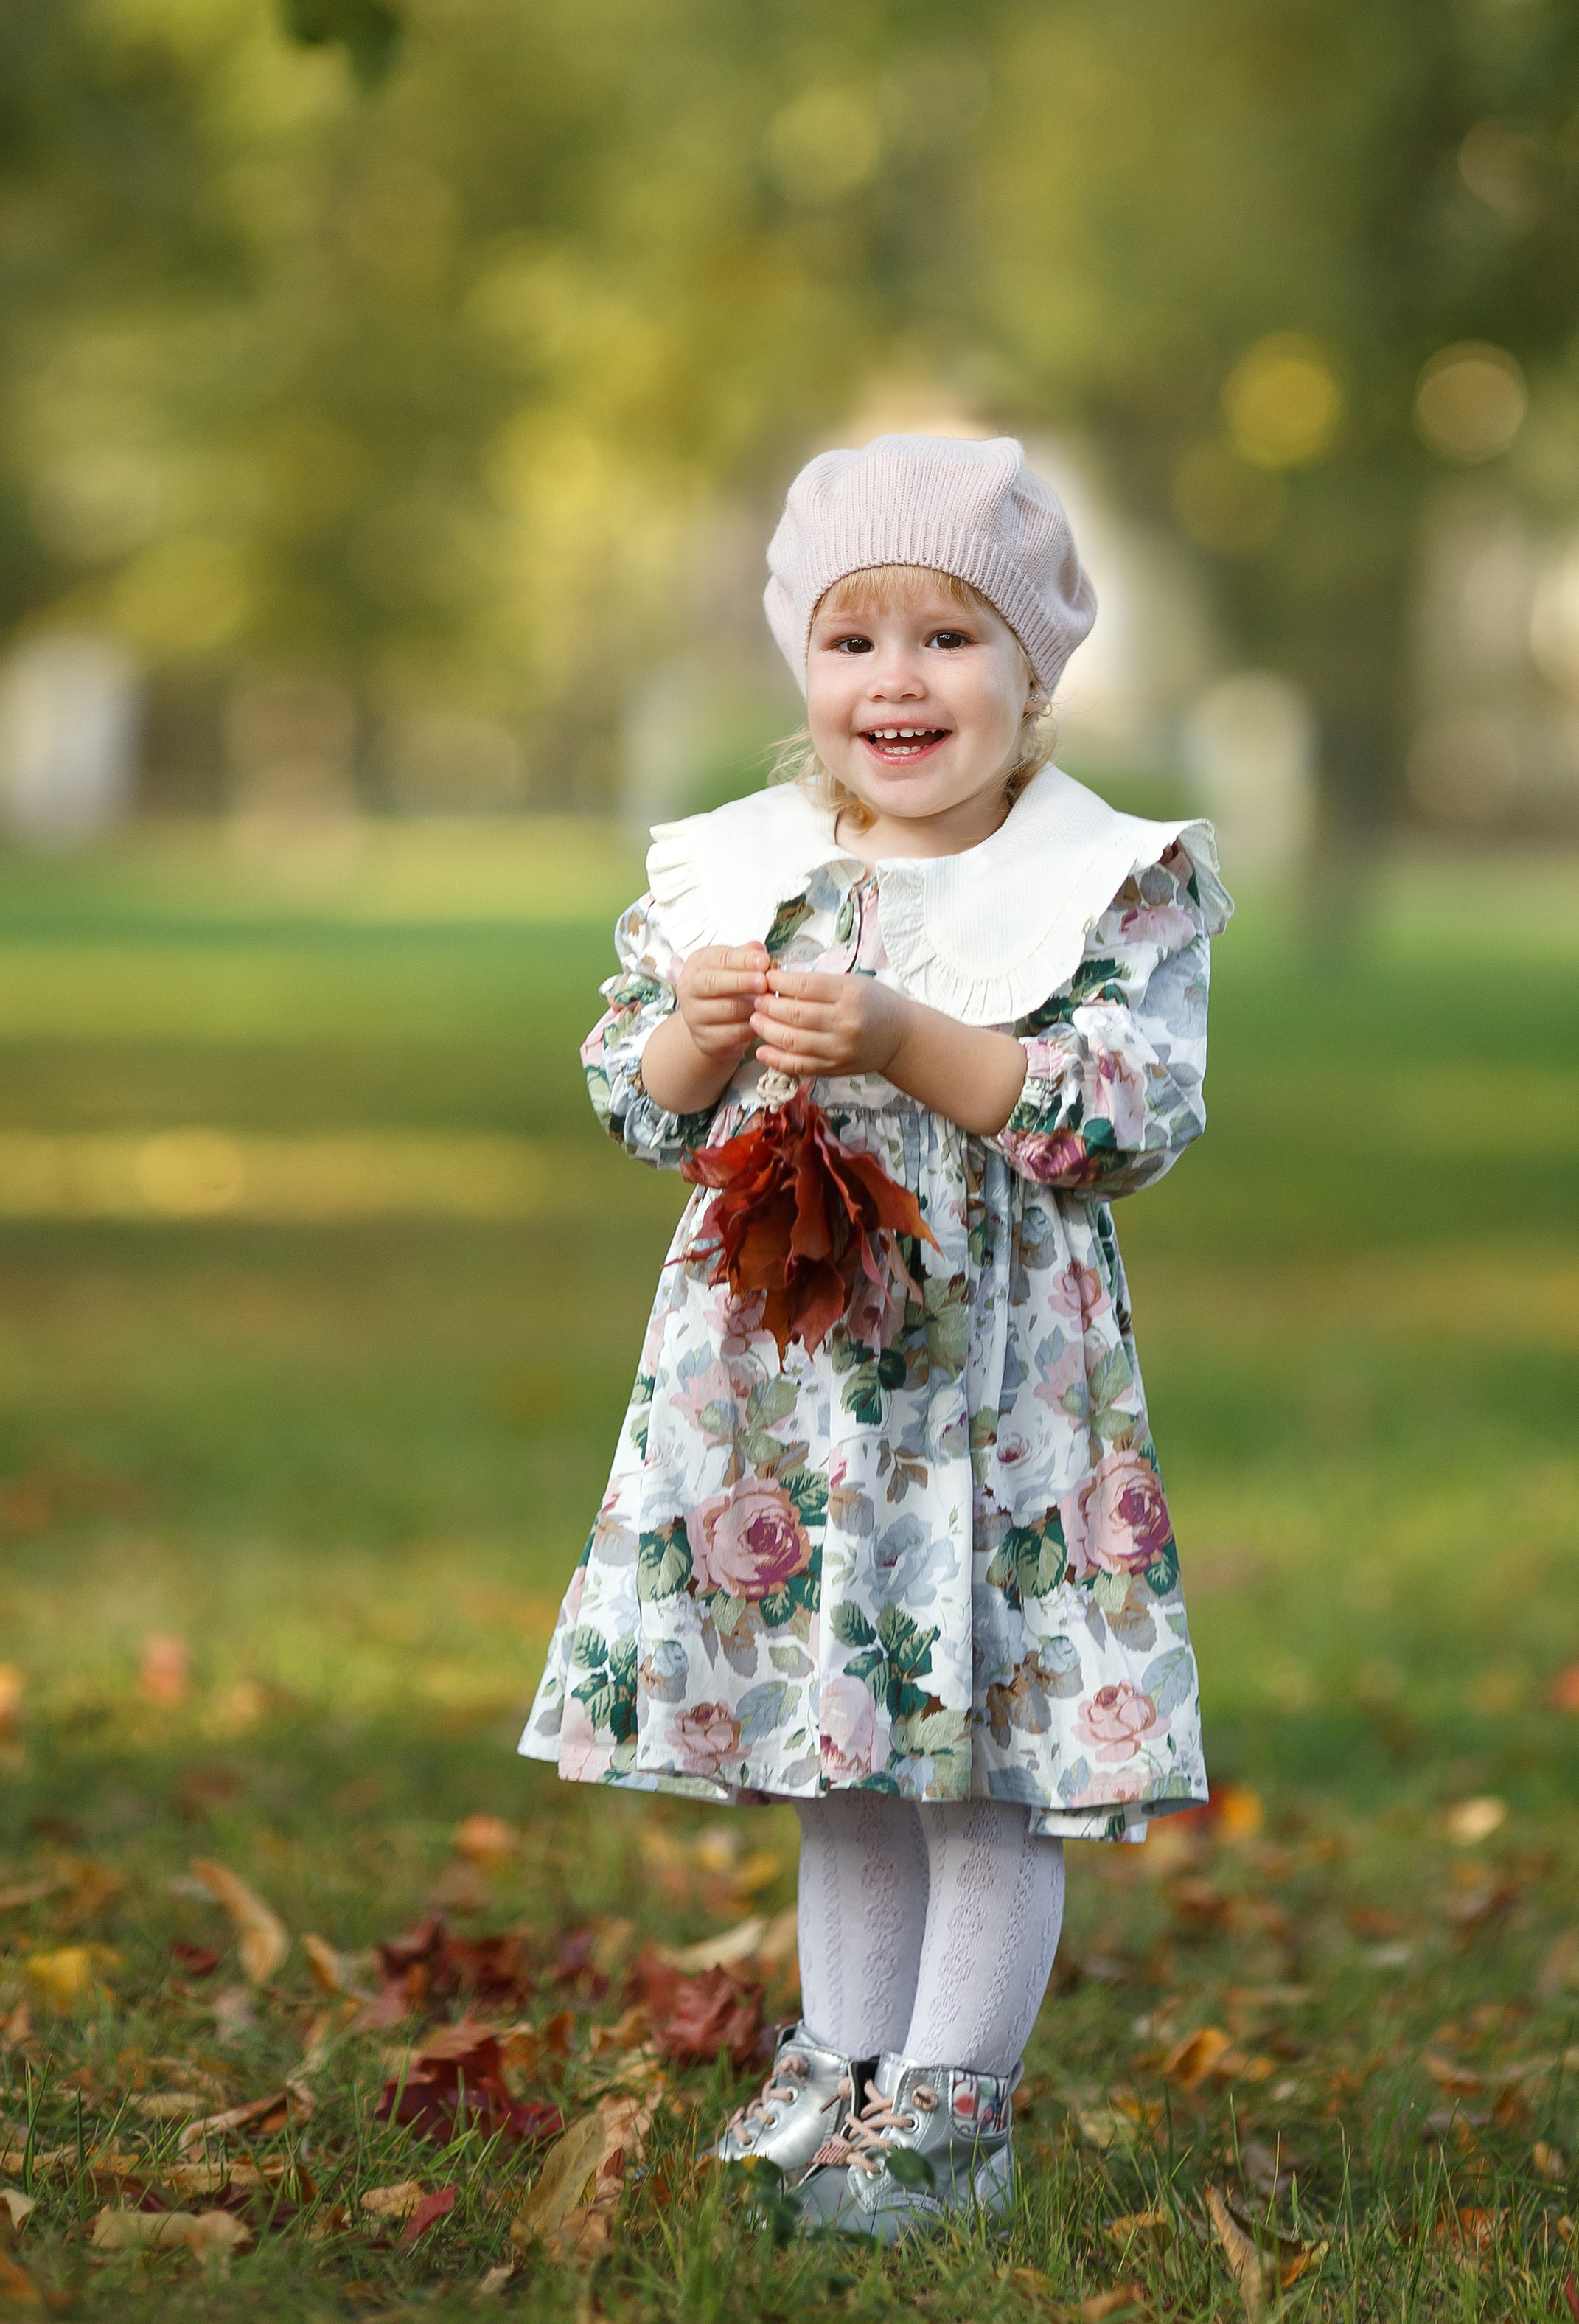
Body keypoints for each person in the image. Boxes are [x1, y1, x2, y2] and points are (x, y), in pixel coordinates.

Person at [520, 430, 1230, 2238]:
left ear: (1032, 668)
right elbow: (635, 1100)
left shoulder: (1100, 877)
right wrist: (694, 1025)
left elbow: (1118, 1118)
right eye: (852, 641)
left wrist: (913, 1035)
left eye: (948, 637)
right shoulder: (734, 867)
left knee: (973, 1753)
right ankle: (841, 2064)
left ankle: (950, 2108)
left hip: (998, 1403)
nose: (896, 680)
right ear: (801, 669)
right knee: (835, 1750)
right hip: (795, 1394)